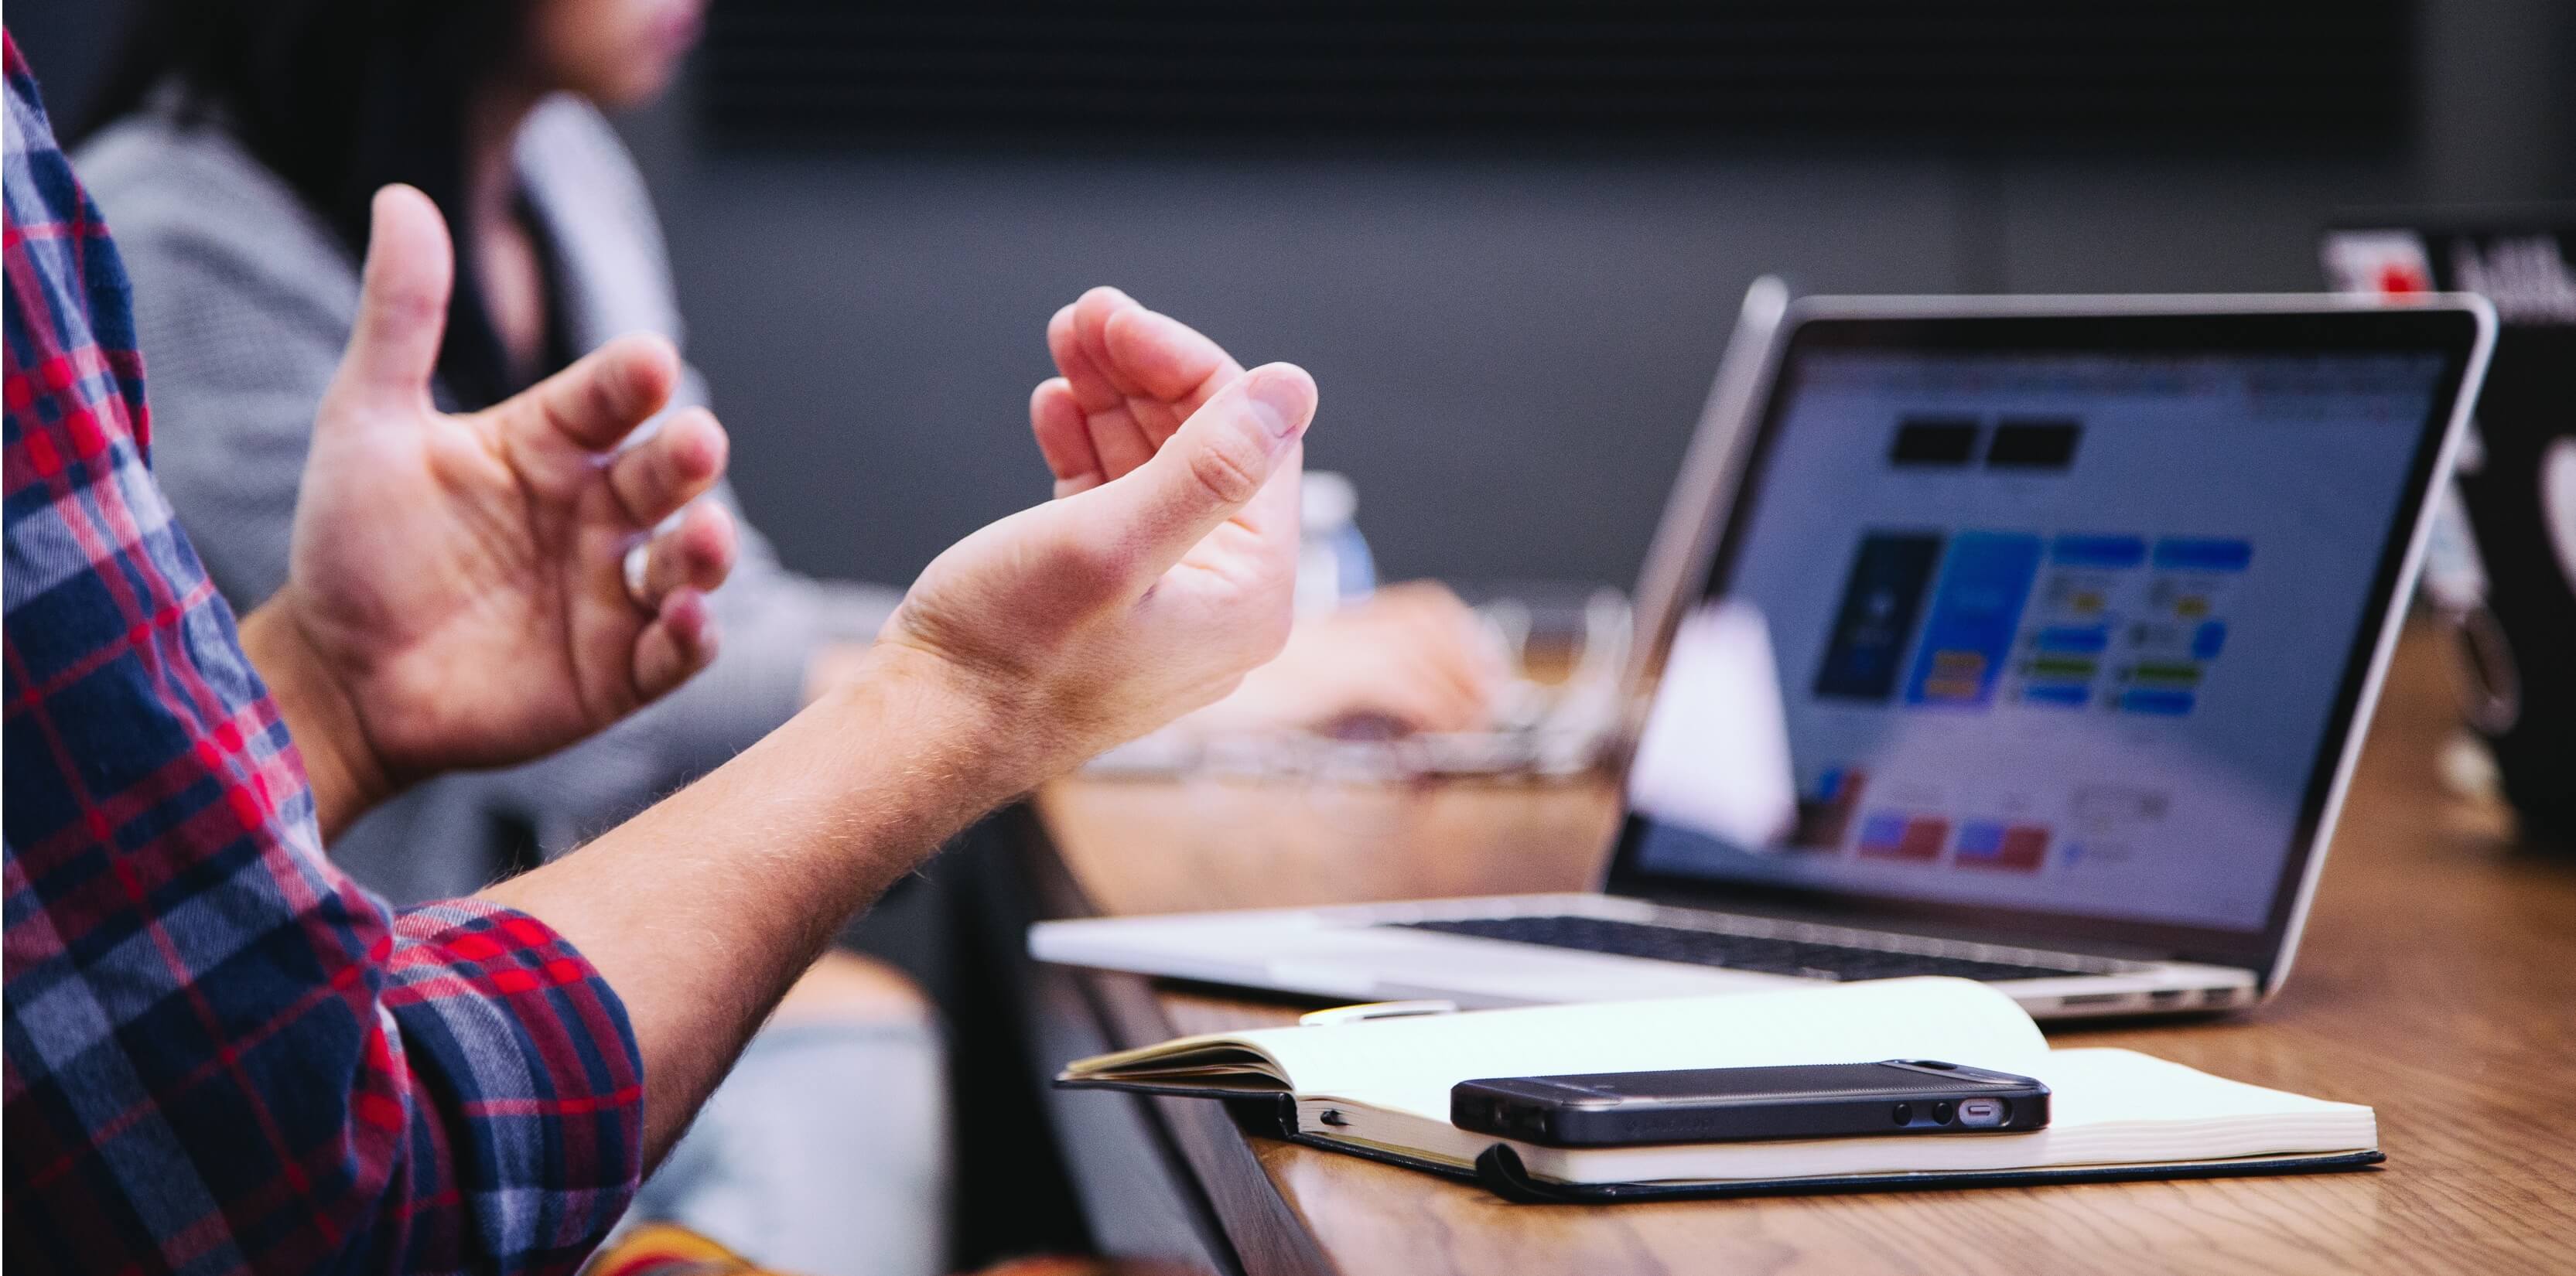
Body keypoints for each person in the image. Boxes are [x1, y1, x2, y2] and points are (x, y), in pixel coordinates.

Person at [4, 27, 1322, 1276]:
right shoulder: (168, 238)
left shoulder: (563, 171)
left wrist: (333, 699)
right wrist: (983, 691)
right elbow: (295, 1174)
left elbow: (712, 617)